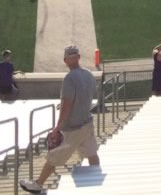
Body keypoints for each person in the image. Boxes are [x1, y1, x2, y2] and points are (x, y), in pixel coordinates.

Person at [19, 45, 100, 192]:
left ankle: (38, 184)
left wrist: (57, 128)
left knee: (53, 157)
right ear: (79, 57)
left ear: (65, 60)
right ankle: (98, 179)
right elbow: (85, 96)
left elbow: (67, 105)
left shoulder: (69, 78)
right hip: (86, 123)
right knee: (91, 153)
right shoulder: (88, 74)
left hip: (71, 128)